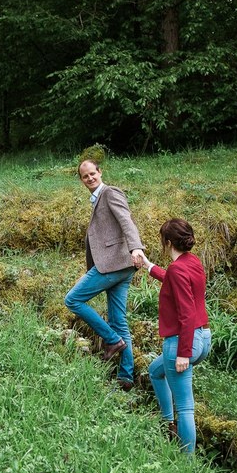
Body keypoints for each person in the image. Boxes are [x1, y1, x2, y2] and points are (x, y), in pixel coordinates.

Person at [64, 159, 146, 391]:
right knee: (119, 321)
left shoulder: (110, 192)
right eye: (85, 176)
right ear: (81, 180)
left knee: (73, 299)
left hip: (114, 264)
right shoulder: (97, 197)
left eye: (93, 173)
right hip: (121, 265)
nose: (90, 178)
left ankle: (111, 340)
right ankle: (126, 377)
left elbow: (126, 220)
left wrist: (136, 247)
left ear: (100, 172)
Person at [136, 218, 211, 453]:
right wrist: (148, 265)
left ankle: (186, 463)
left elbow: (186, 314)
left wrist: (183, 354)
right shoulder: (192, 262)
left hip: (182, 342)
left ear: (167, 242)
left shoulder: (178, 270)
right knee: (155, 371)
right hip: (204, 338)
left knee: (186, 407)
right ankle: (167, 422)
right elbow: (171, 278)